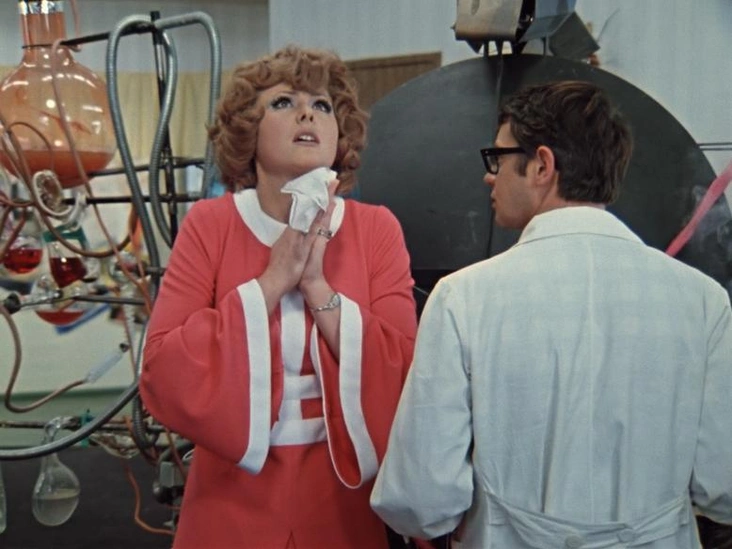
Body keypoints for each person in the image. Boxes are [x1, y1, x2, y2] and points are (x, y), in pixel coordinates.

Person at [371, 80, 732, 548]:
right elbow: (723, 485)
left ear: (542, 165)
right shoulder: (702, 300)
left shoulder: (463, 298)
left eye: (497, 158)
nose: (489, 177)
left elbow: (420, 499)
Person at [140, 45, 417, 549]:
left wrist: (316, 286)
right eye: (284, 102)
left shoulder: (377, 229)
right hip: (227, 500)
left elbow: (406, 370)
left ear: (340, 136)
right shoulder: (210, 225)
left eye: (322, 105)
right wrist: (273, 281)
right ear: (248, 131)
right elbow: (163, 369)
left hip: (344, 498)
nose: (308, 113)